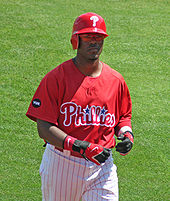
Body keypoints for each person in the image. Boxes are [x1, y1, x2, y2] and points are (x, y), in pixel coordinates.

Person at [26, 12, 134, 201]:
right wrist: (81, 146)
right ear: (76, 40)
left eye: (99, 37)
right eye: (88, 37)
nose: (95, 42)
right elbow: (44, 127)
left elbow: (123, 116)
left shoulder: (116, 80)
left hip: (103, 167)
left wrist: (126, 134)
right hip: (63, 164)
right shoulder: (56, 78)